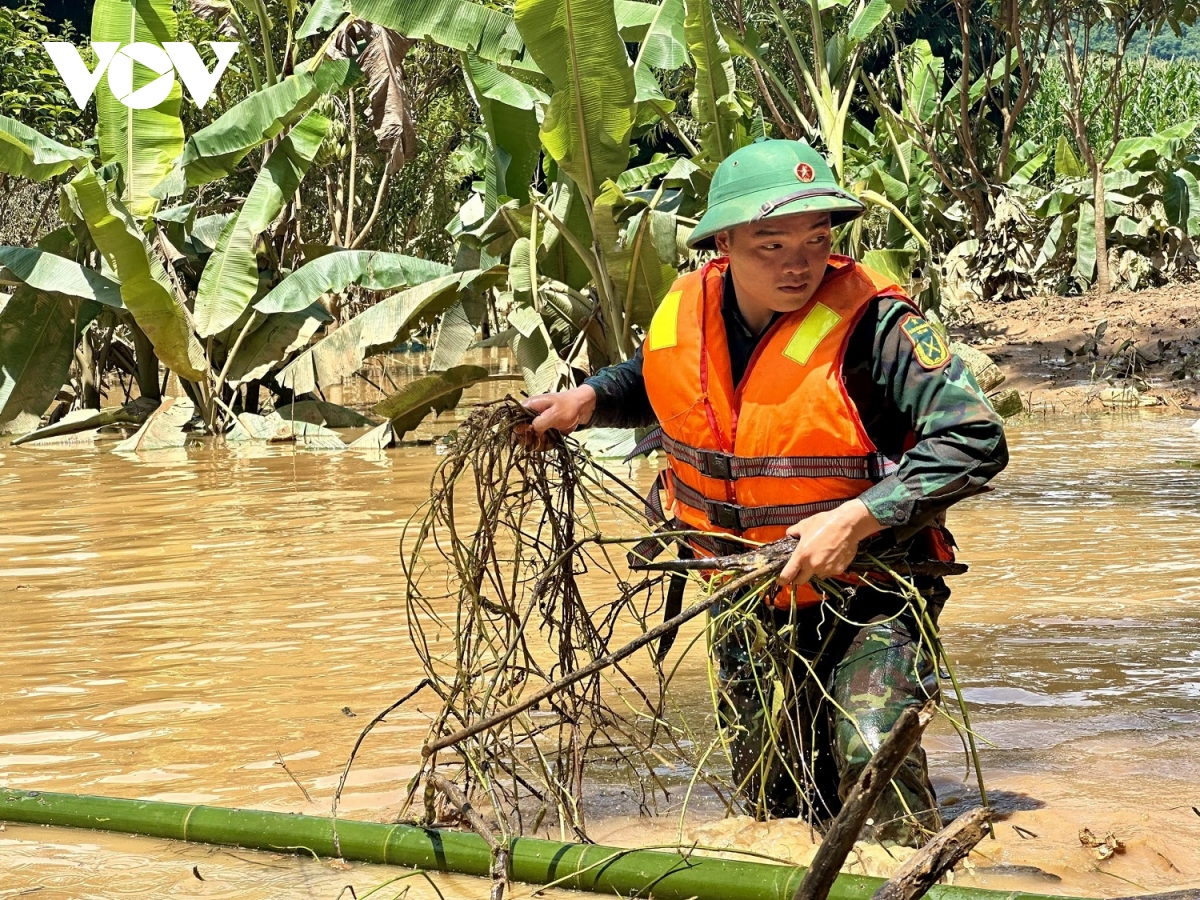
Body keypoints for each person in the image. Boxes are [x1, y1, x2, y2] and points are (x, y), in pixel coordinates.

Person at [522, 139, 1007, 846]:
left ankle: (911, 873)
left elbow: (976, 439)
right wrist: (586, 400)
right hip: (746, 593)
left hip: (872, 586)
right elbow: (654, 379)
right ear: (722, 242)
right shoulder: (687, 310)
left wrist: (856, 518)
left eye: (816, 240)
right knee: (772, 799)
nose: (798, 263)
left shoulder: (878, 325)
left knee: (869, 754)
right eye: (771, 243)